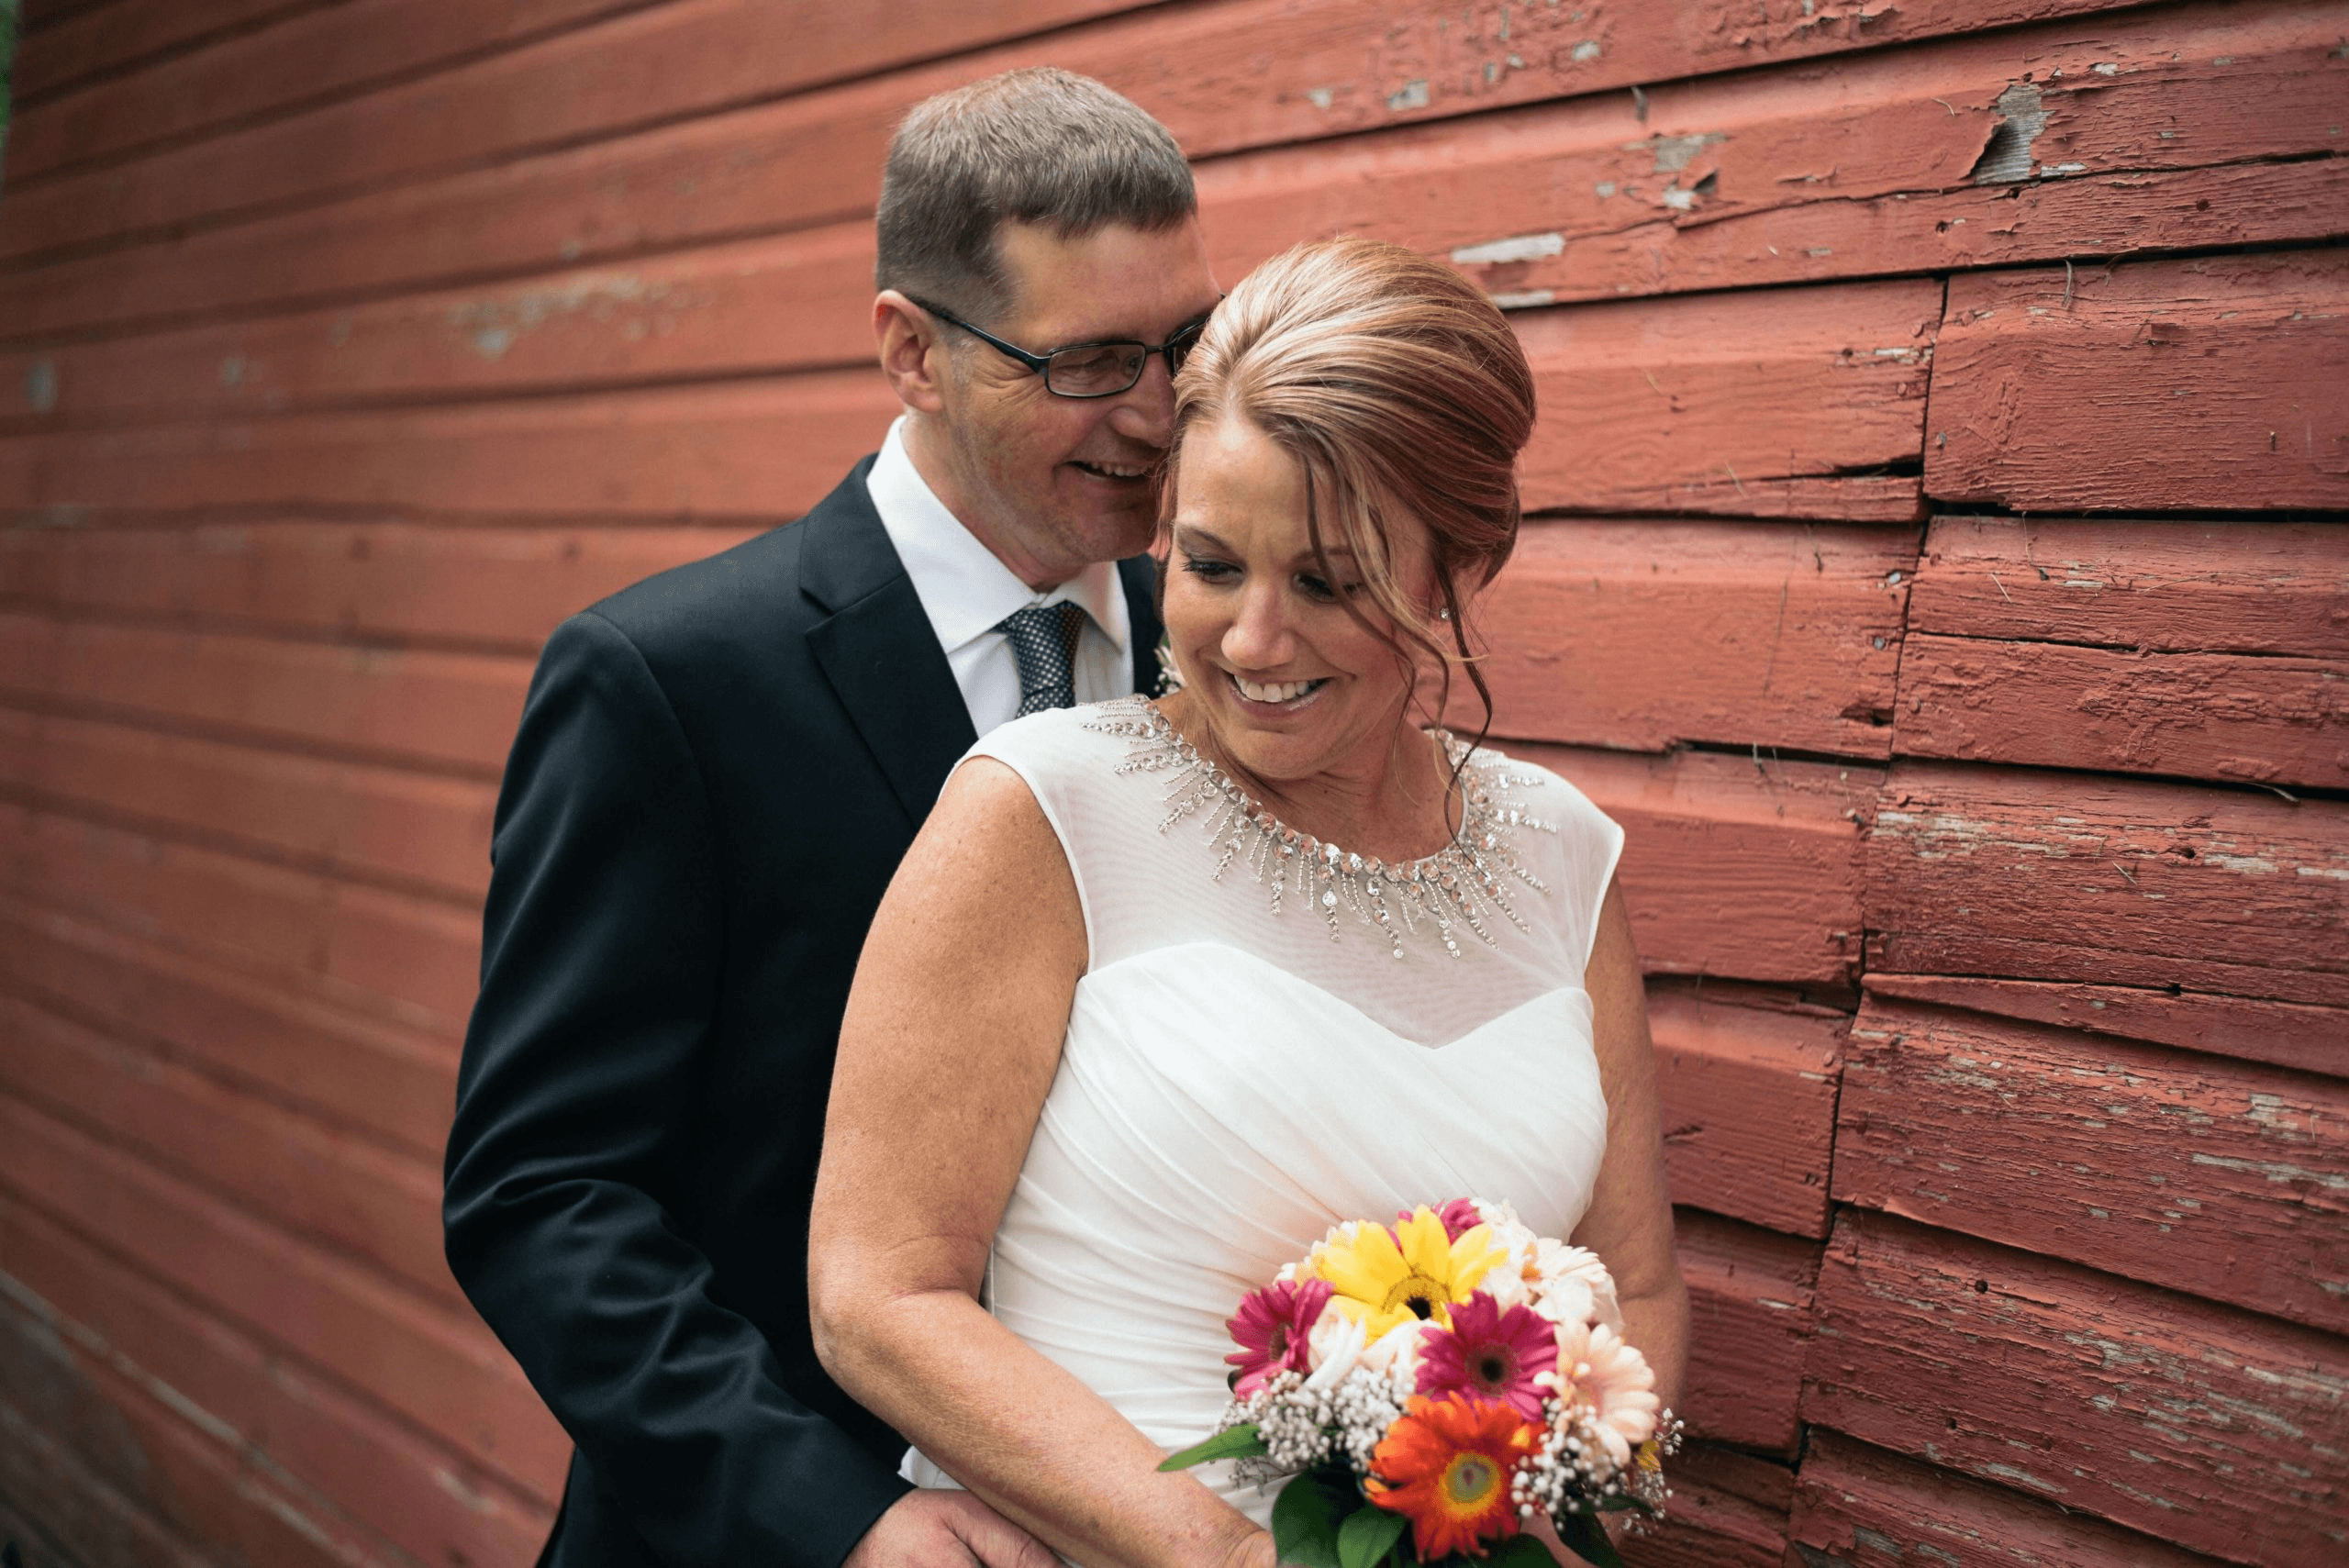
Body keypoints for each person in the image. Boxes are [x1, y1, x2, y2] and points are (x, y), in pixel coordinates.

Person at [807, 237, 1688, 1567]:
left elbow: (1641, 1286)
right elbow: (877, 1294)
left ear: (1461, 566)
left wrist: (1553, 1514)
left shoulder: (1561, 853)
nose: (1254, 641)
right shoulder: (1042, 811)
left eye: (1329, 582)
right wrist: (1231, 1556)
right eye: (1213, 566)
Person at [442, 69, 1222, 1568]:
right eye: (1091, 361)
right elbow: (542, 1195)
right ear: (913, 353)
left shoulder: (1227, 653)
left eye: (1184, 344)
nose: (1155, 413)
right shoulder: (668, 680)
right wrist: (837, 1520)